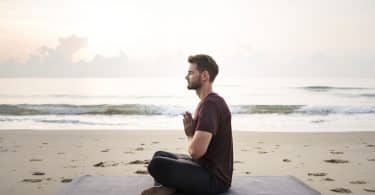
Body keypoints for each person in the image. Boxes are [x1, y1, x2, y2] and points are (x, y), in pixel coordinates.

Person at [141, 54, 233, 195]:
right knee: (158, 155)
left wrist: (190, 134)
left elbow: (196, 152)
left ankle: (171, 188)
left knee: (157, 165)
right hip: (204, 167)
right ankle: (171, 187)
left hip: (215, 180)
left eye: (191, 73)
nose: (186, 76)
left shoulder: (210, 105)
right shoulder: (209, 102)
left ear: (204, 76)